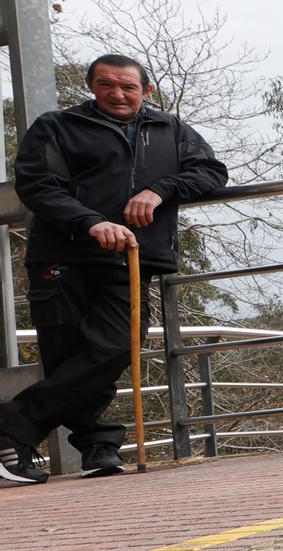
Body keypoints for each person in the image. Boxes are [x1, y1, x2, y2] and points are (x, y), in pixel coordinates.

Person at [0, 54, 227, 482]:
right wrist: (90, 222)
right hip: (62, 257)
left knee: (115, 348)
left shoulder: (171, 129)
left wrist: (160, 190)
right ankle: (98, 448)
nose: (117, 94)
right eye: (107, 85)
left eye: (128, 86)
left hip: (131, 255)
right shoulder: (57, 126)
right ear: (92, 87)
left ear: (147, 90)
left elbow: (212, 171)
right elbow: (37, 185)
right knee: (70, 355)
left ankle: (14, 428)